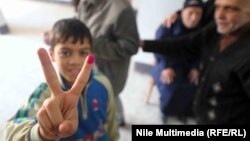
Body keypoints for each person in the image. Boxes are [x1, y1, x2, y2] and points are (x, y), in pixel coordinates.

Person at [4, 18, 119, 140]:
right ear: (52, 54)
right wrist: (40, 133)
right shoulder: (45, 93)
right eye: (65, 52)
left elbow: (111, 122)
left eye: (83, 53)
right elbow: (10, 132)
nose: (75, 61)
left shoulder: (103, 83)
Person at [141, 0, 250, 124]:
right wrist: (142, 44)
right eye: (217, 7)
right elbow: (185, 44)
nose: (219, 16)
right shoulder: (215, 29)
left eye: (230, 9)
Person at [76, 0, 139, 126]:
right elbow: (81, 23)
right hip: (88, 64)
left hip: (110, 70)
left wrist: (91, 43)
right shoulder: (84, 3)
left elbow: (130, 46)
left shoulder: (122, 10)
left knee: (110, 97)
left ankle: (117, 120)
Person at [151, 0, 203, 123]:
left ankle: (182, 112)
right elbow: (158, 48)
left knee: (194, 85)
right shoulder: (169, 24)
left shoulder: (202, 30)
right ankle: (165, 110)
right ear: (182, 12)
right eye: (190, 13)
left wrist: (196, 67)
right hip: (166, 64)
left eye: (198, 14)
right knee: (170, 87)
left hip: (188, 65)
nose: (194, 17)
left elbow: (201, 51)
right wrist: (166, 67)